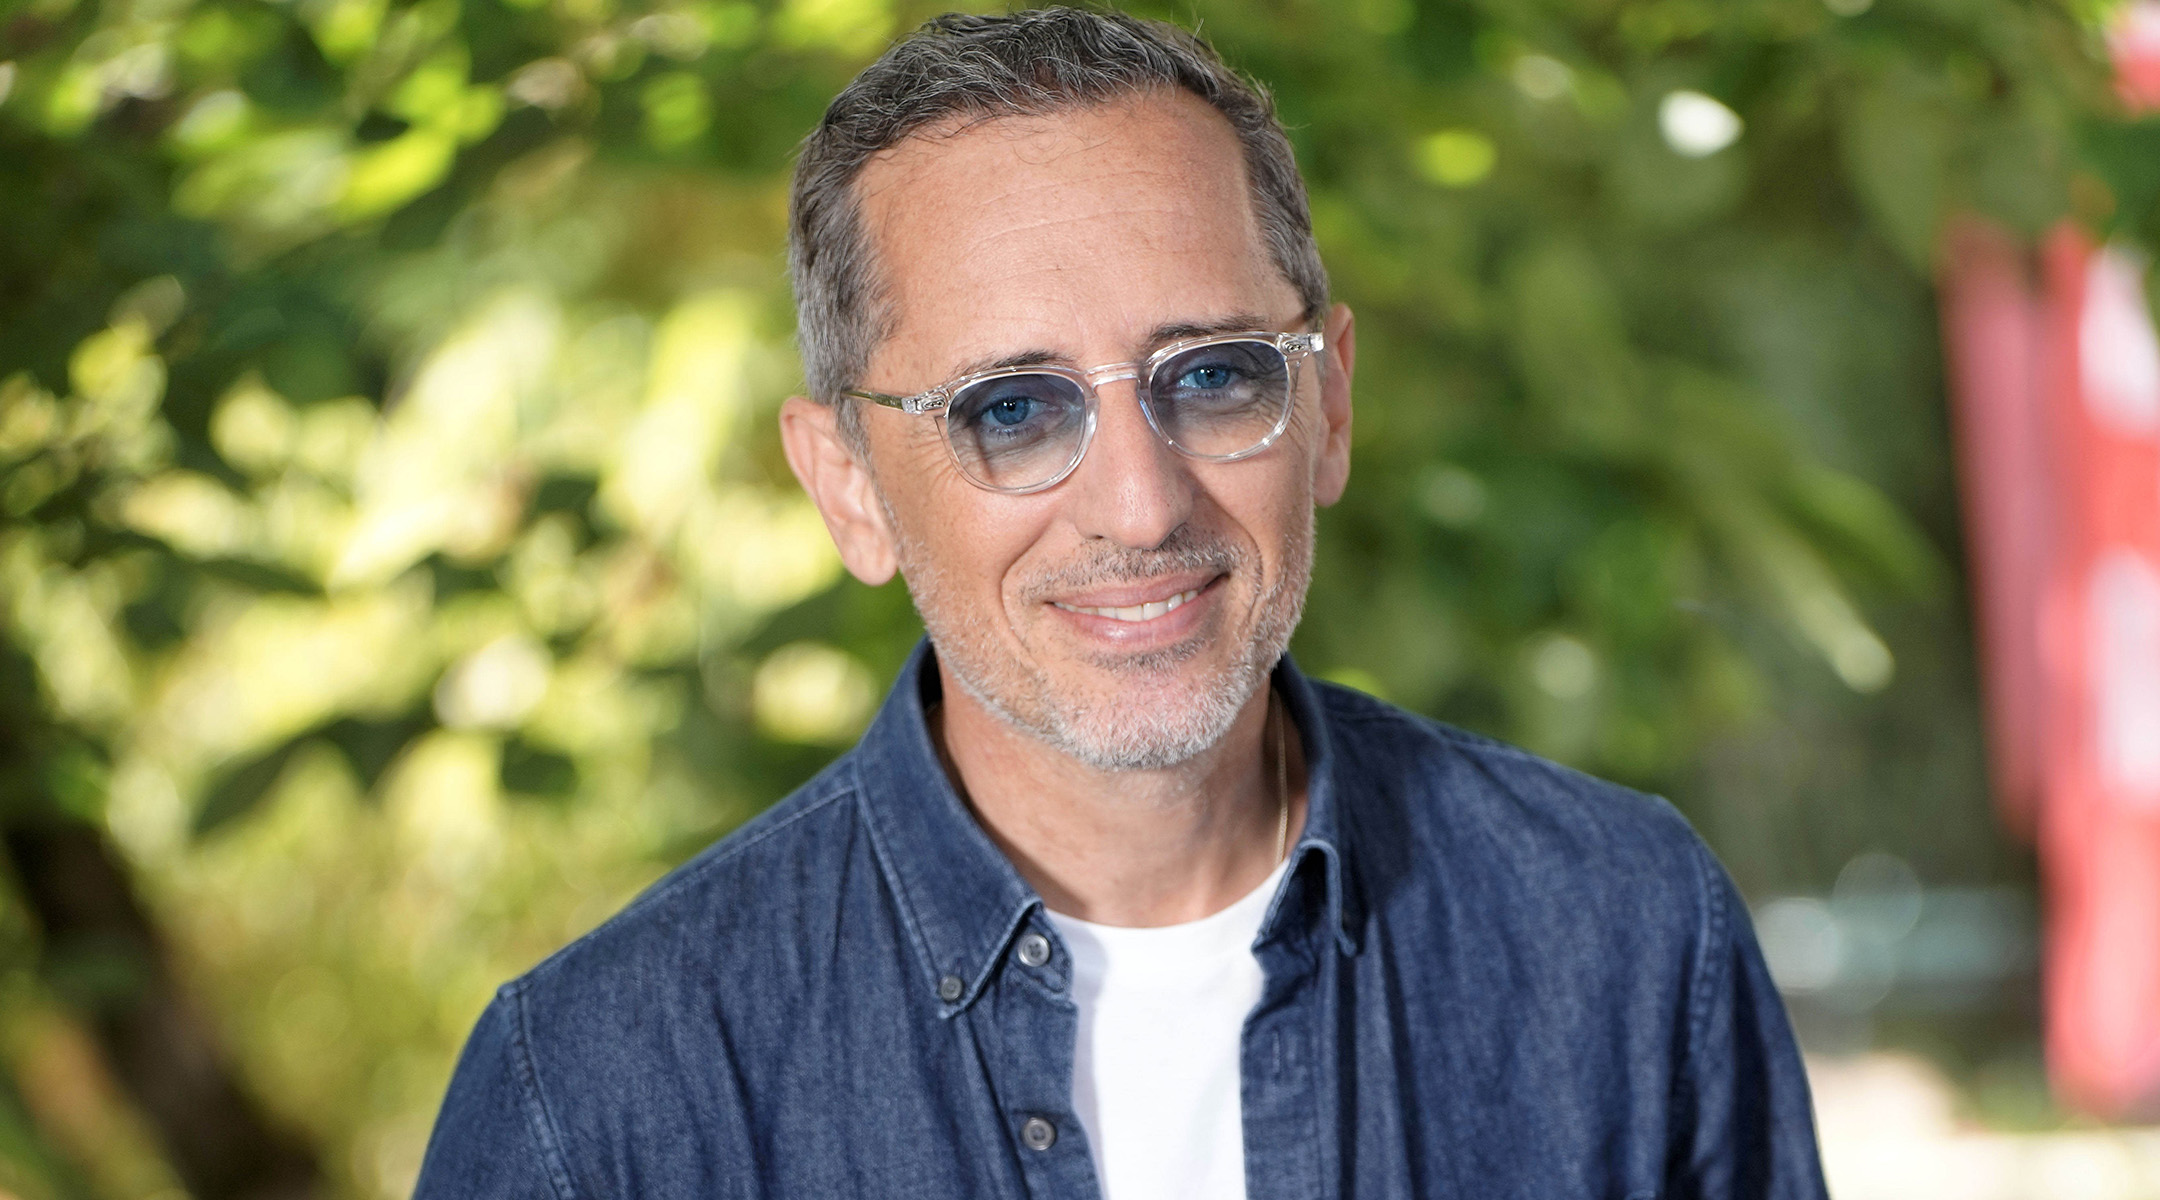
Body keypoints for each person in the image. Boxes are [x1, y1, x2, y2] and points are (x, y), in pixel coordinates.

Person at [414, 9, 1829, 1198]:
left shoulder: (1628, 941)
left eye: (1213, 375)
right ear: (847, 483)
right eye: (1011, 410)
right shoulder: (599, 1100)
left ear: (1327, 403)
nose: (1143, 506)